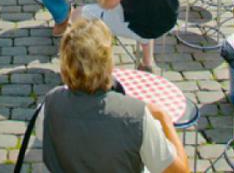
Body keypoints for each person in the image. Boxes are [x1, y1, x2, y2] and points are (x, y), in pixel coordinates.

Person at [42, 18, 191, 173]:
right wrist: (164, 119)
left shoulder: (50, 103)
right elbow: (181, 171)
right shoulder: (137, 117)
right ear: (108, 62)